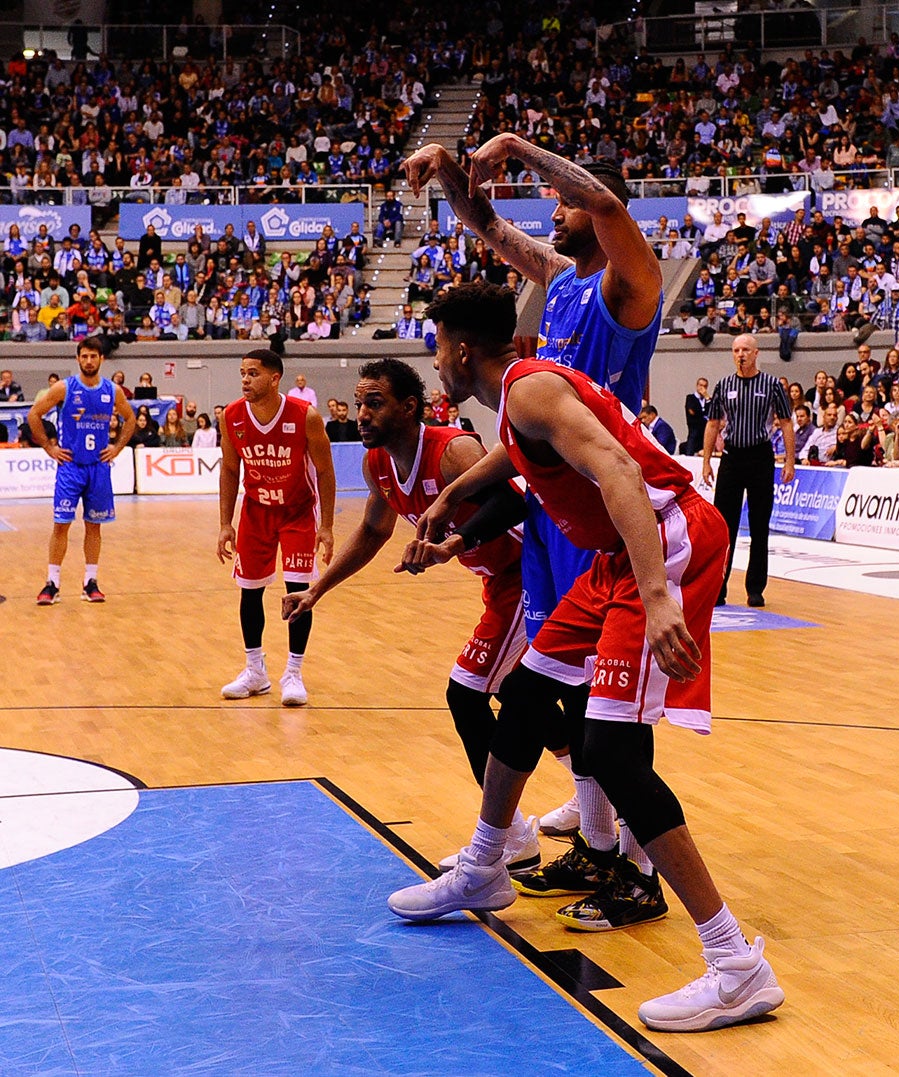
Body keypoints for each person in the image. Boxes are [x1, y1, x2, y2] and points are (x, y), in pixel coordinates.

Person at [387, 284, 784, 1034]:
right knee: (526, 693)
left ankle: (737, 965)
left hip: (661, 541)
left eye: (435, 343)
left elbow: (623, 475)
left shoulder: (532, 386)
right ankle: (484, 865)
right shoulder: (521, 390)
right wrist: (453, 498)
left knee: (612, 749)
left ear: (461, 348)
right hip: (616, 555)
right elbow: (519, 453)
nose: (433, 359)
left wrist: (660, 594)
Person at [404, 132, 663, 871]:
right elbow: (485, 223)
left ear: (590, 202)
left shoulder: (628, 286)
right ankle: (594, 828)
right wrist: (452, 170)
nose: (553, 210)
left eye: (564, 201)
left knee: (591, 693)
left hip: (601, 497)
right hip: (551, 506)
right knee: (559, 687)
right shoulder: (560, 279)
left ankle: (625, 849)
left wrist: (518, 146)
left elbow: (605, 200)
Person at [282, 358, 538, 869]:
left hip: (530, 577)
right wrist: (317, 590)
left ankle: (510, 835)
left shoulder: (453, 451)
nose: (361, 414)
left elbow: (515, 506)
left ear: (409, 407)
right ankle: (583, 793)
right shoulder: (377, 464)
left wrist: (452, 543)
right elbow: (375, 532)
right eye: (359, 403)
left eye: (374, 403)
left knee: (465, 694)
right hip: (496, 582)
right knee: (524, 695)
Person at [217, 349, 336, 706]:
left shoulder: (305, 416)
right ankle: (255, 671)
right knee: (249, 591)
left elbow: (327, 472)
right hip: (256, 512)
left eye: (252, 373)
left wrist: (326, 526)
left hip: (297, 512)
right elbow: (229, 469)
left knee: (298, 592)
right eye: (242, 373)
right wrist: (225, 523)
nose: (245, 380)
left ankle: (294, 673)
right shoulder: (232, 416)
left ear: (274, 378)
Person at [29, 336, 136, 605]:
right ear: (78, 359)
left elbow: (131, 419)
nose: (89, 360)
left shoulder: (113, 391)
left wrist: (118, 447)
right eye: (84, 356)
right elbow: (34, 414)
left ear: (102, 359)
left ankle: (91, 582)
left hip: (98, 468)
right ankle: (52, 582)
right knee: (61, 524)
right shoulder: (65, 388)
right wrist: (50, 448)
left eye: (93, 356)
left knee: (94, 527)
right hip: (71, 467)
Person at [702, 335, 794, 608]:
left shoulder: (772, 385)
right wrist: (707, 460)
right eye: (736, 350)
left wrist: (790, 461)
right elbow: (713, 424)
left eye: (745, 350)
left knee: (759, 526)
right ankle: (718, 589)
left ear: (756, 353)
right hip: (731, 458)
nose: (740, 354)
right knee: (722, 528)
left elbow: (787, 423)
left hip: (760, 458)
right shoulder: (724, 385)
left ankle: (756, 588)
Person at [684, 378, 711, 454]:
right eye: (701, 385)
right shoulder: (690, 398)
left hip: (705, 430)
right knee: (690, 448)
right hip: (694, 428)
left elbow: (711, 412)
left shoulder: (708, 400)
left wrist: (707, 398)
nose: (702, 388)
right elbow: (692, 412)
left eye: (705, 386)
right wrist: (704, 415)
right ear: (697, 386)